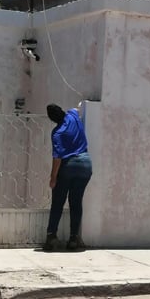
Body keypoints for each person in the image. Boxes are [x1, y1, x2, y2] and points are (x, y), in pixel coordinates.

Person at [44, 103, 92, 251]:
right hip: (85, 164)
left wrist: (53, 178)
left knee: (58, 202)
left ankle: (51, 237)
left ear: (52, 119)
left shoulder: (57, 133)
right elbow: (78, 108)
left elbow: (57, 158)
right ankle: (73, 239)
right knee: (76, 202)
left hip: (68, 166)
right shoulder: (73, 115)